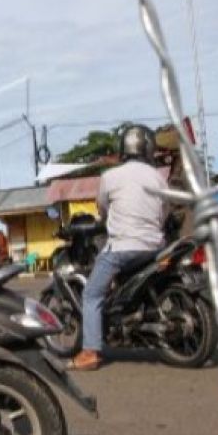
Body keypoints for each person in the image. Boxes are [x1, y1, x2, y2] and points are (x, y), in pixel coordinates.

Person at [70, 124, 167, 371]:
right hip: (155, 245)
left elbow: (102, 208)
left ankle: (90, 351)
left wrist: (104, 220)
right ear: (148, 148)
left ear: (123, 147)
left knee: (91, 294)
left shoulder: (110, 177)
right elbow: (164, 210)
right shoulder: (158, 176)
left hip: (124, 246)